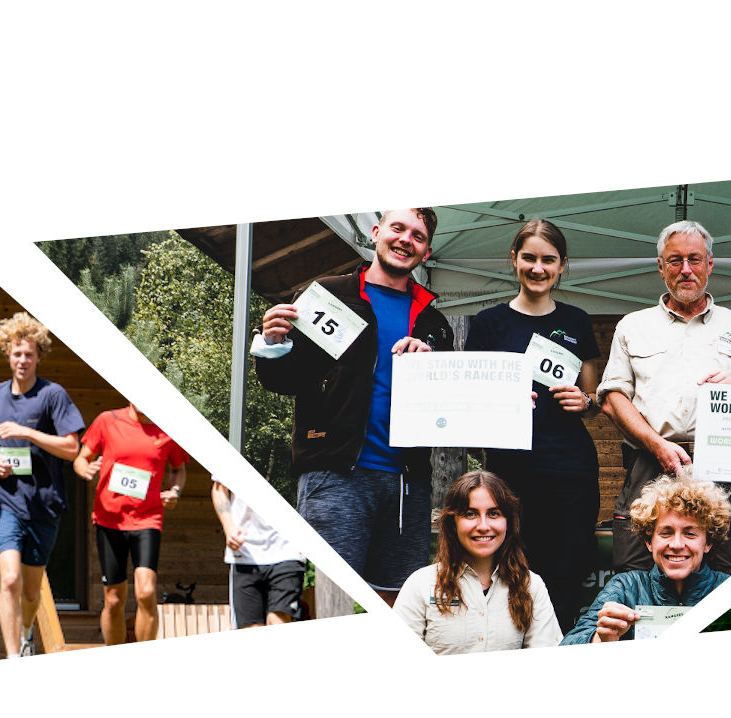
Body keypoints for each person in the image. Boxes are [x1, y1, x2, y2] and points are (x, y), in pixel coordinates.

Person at [252, 207, 456, 604]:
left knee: (398, 602)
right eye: (398, 229)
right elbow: (284, 380)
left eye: (417, 236)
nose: (405, 240)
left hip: (407, 484)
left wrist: (432, 361)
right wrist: (273, 343)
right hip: (336, 473)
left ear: (426, 252)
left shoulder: (434, 323)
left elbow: (448, 408)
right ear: (376, 233)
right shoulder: (326, 296)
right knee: (329, 597)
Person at [598, 220, 731, 575]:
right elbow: (613, 397)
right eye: (675, 260)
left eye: (694, 259)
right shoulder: (633, 326)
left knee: (726, 573)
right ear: (661, 268)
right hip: (649, 461)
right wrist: (656, 444)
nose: (685, 269)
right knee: (634, 568)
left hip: (724, 466)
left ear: (710, 264)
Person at [462, 219, 603, 621]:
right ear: (514, 260)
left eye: (548, 260)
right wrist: (498, 400)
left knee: (567, 573)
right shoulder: (489, 323)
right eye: (529, 258)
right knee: (511, 572)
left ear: (561, 265)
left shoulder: (576, 320)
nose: (538, 268)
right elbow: (471, 399)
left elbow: (591, 398)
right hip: (511, 471)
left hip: (571, 471)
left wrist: (585, 400)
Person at [0, 312, 86, 658]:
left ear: (39, 356)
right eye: (17, 353)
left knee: (31, 592)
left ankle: (25, 637)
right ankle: (12, 657)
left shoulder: (53, 395)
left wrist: (28, 433)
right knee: (8, 580)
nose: (22, 360)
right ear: (7, 354)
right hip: (5, 501)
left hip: (44, 504)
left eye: (29, 354)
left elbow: (72, 448)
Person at [394, 472, 560, 653]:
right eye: (470, 514)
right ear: (453, 523)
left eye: (494, 514)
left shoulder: (531, 586)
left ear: (509, 522)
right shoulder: (421, 584)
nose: (483, 526)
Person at [562, 475, 731, 644]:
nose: (677, 544)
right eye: (666, 532)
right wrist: (600, 638)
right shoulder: (626, 587)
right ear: (649, 541)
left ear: (708, 542)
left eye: (690, 534)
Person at [74, 405, 187, 644]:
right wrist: (86, 469)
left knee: (146, 592)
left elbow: (178, 469)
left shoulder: (168, 429)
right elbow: (82, 458)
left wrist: (175, 490)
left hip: (147, 519)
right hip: (109, 519)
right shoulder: (107, 420)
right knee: (114, 598)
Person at [210, 476, 305, 629]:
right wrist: (229, 529)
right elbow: (219, 489)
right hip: (245, 553)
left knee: (278, 621)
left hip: (287, 550)